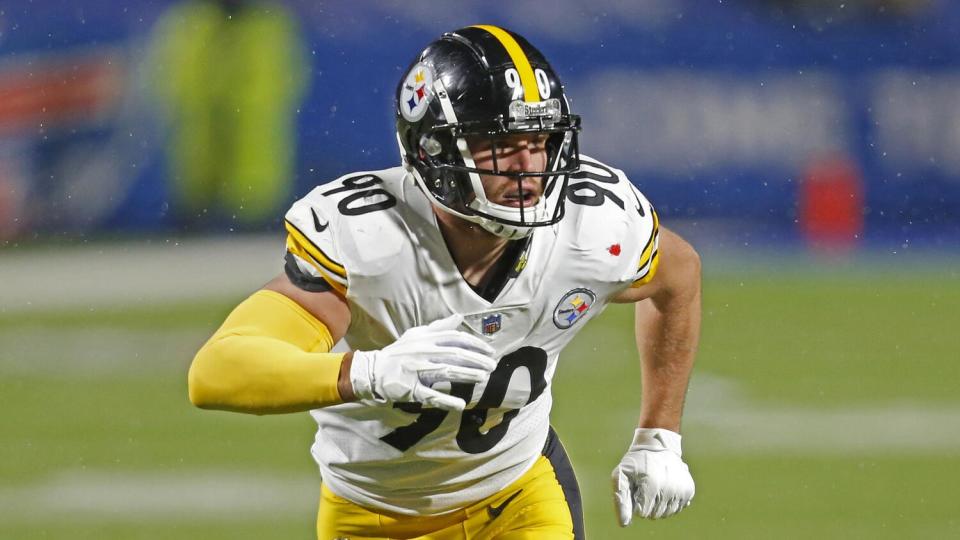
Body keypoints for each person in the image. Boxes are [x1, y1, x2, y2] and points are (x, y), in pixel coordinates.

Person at [188, 24, 700, 539]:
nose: (529, 166)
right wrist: (367, 372)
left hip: (518, 495)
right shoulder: (372, 239)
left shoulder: (593, 226)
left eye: (540, 140)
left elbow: (679, 278)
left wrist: (659, 437)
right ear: (432, 152)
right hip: (372, 515)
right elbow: (217, 372)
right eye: (500, 145)